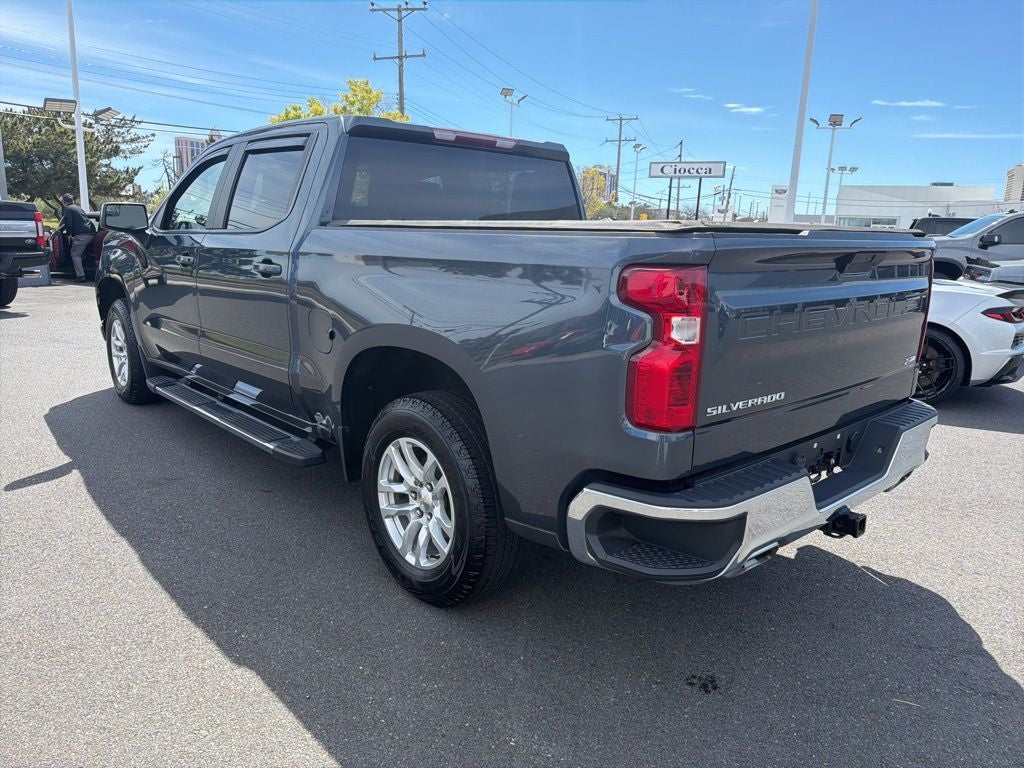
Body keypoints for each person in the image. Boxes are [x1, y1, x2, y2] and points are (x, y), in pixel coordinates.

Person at [57, 193, 95, 282]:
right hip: (91, 234)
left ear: (64, 202)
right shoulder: (78, 208)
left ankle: (80, 276)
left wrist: (69, 234)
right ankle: (86, 270)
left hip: (81, 236)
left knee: (75, 254)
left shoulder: (68, 209)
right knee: (82, 253)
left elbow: (68, 223)